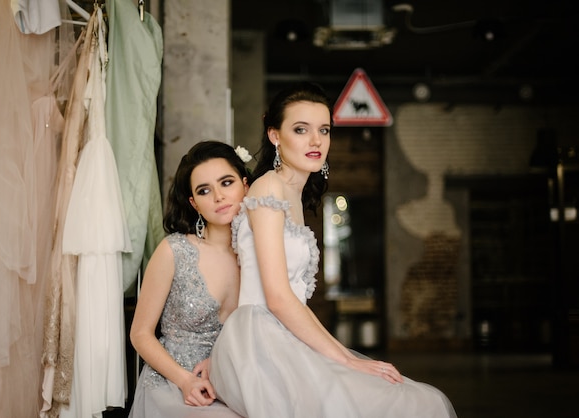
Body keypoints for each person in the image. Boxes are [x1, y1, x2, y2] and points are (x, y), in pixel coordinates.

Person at [208, 83, 457, 418]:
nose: (316, 141)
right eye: (301, 129)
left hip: (286, 334)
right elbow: (278, 297)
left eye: (324, 130)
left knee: (412, 398)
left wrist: (342, 354)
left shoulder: (294, 195)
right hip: (260, 341)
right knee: (410, 403)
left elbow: (293, 301)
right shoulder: (268, 187)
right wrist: (346, 359)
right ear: (275, 135)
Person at [128, 141, 249, 418]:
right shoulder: (174, 250)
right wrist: (185, 381)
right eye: (204, 190)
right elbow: (140, 334)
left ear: (246, 185)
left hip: (233, 379)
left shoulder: (255, 256)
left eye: (226, 182)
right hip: (174, 383)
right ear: (194, 203)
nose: (218, 196)